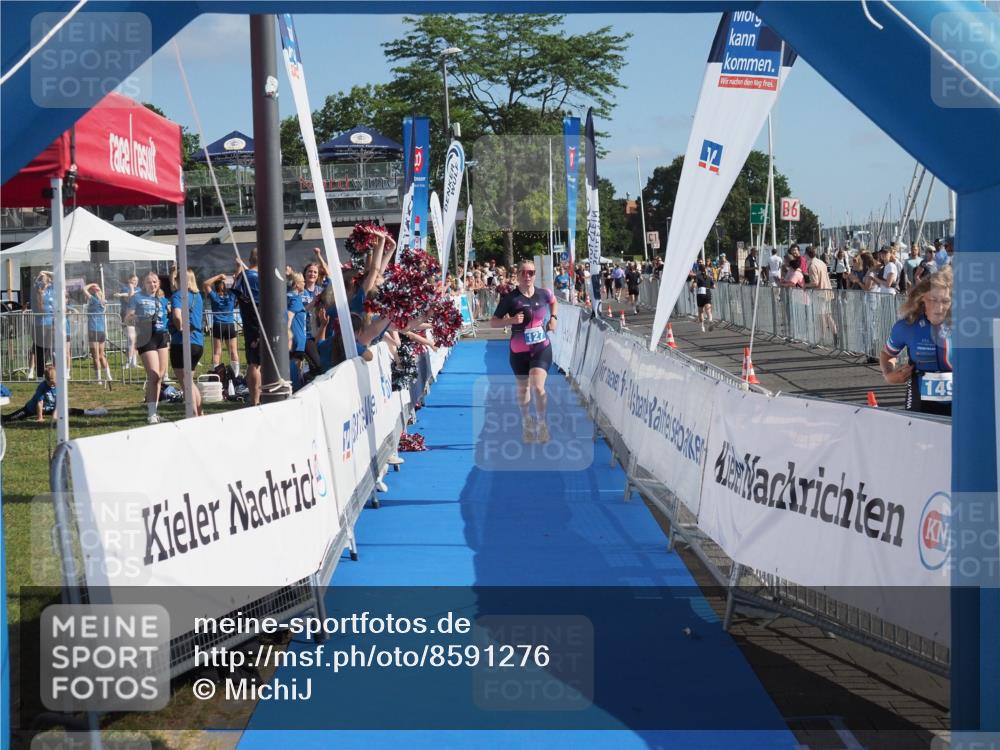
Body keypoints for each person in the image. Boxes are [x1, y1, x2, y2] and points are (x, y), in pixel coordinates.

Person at [490, 260, 558, 443]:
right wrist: (510, 320)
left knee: (538, 387)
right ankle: (527, 422)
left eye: (531, 272)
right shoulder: (510, 298)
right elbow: (493, 322)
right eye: (523, 272)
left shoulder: (544, 293)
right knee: (523, 388)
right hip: (519, 348)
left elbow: (553, 301)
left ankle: (542, 424)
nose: (527, 276)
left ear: (535, 275)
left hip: (541, 347)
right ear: (517, 275)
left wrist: (553, 318)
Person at [880, 266, 952, 416]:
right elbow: (887, 354)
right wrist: (889, 374)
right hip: (920, 395)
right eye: (933, 300)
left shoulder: (966, 326)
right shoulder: (907, 326)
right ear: (922, 299)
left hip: (961, 397)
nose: (939, 308)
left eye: (945, 301)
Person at [126, 272, 170, 424]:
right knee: (154, 375)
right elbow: (128, 318)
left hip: (162, 336)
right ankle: (151, 413)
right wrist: (138, 318)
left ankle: (155, 412)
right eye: (149, 282)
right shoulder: (137, 297)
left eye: (155, 282)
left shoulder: (163, 299)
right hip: (146, 337)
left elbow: (167, 318)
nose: (153, 285)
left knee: (161, 376)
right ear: (144, 284)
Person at [169, 269, 205, 417]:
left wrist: (180, 327)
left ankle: (193, 414)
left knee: (185, 384)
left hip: (182, 342)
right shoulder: (198, 296)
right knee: (189, 381)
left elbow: (177, 315)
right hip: (198, 342)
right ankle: (200, 412)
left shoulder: (178, 295)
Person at [1, 365, 92, 423]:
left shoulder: (60, 386)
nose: (53, 385)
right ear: (46, 380)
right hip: (32, 409)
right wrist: (40, 417)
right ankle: (3, 418)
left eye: (54, 382)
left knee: (70, 411)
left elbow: (59, 402)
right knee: (10, 418)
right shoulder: (42, 387)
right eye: (51, 383)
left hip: (50, 408)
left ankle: (90, 411)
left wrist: (55, 414)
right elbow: (39, 403)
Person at [233, 249, 263, 406]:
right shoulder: (255, 277)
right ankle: (255, 399)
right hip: (257, 324)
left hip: (250, 323)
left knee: (257, 361)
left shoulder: (244, 277)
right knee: (256, 362)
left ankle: (256, 397)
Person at [203, 273, 240, 376]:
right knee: (233, 351)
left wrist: (218, 276)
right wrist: (234, 278)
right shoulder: (231, 296)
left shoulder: (214, 296)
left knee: (217, 352)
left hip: (218, 325)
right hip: (229, 325)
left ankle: (216, 375)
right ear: (224, 285)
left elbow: (206, 284)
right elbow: (237, 284)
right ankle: (236, 375)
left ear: (215, 286)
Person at [805, 247, 838, 347]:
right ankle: (835, 334)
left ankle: (822, 339)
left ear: (807, 254)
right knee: (827, 315)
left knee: (821, 317)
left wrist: (805, 285)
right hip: (827, 290)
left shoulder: (812, 265)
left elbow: (815, 282)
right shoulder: (821, 262)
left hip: (820, 293)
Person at [82, 283, 113, 383]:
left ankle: (98, 379)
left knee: (95, 357)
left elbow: (83, 289)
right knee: (101, 355)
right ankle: (108, 376)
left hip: (93, 329)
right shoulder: (103, 301)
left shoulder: (94, 300)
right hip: (101, 330)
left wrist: (92, 284)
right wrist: (97, 288)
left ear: (93, 291)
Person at [115, 274, 140, 368]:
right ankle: (128, 361)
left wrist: (122, 294)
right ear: (129, 280)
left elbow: (134, 296)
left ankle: (134, 362)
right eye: (133, 280)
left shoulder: (139, 289)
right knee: (130, 338)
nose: (135, 282)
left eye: (137, 280)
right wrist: (128, 290)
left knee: (135, 339)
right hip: (127, 316)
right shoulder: (125, 288)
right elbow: (129, 297)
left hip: (137, 316)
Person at [690, 260, 715, 332]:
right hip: (707, 292)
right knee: (708, 310)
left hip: (700, 293)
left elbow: (694, 285)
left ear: (699, 269)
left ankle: (702, 327)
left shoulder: (698, 276)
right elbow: (714, 286)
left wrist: (691, 289)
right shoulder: (709, 277)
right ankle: (710, 320)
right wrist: (709, 286)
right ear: (705, 269)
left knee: (701, 311)